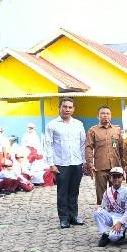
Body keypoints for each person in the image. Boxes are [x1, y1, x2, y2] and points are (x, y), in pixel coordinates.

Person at [44, 97, 86, 228]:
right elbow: (48, 145)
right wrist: (51, 164)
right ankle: (64, 218)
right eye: (65, 106)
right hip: (61, 163)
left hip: (77, 162)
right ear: (60, 107)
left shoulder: (78, 124)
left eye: (70, 107)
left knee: (74, 191)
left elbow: (83, 144)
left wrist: (84, 162)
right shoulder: (52, 125)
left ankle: (73, 216)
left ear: (73, 109)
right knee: (62, 192)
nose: (67, 109)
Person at [85, 105, 127, 204]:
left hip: (115, 167)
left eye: (108, 113)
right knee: (101, 193)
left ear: (111, 116)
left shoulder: (116, 130)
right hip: (100, 167)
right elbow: (88, 148)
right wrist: (90, 163)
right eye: (103, 113)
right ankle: (102, 210)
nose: (105, 115)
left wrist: (125, 165)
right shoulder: (92, 131)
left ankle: (116, 210)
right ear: (98, 116)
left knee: (116, 192)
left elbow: (122, 148)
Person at [94, 167, 127, 247]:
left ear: (123, 178)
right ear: (110, 178)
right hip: (111, 216)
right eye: (114, 177)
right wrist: (100, 208)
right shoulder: (107, 192)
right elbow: (104, 207)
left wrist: (120, 223)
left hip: (121, 217)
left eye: (119, 176)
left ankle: (122, 231)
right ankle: (105, 234)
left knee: (113, 238)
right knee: (97, 212)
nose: (116, 179)